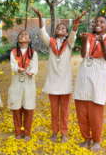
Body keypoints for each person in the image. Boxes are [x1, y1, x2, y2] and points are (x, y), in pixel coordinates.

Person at [33, 8, 83, 143]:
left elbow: (73, 34)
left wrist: (76, 22)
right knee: (54, 110)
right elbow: (43, 33)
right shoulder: (51, 43)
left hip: (65, 82)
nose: (60, 29)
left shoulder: (69, 43)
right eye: (58, 28)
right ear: (55, 32)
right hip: (53, 81)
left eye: (63, 28)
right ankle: (55, 132)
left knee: (65, 110)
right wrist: (40, 17)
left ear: (66, 33)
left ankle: (64, 133)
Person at [74, 16, 106, 152]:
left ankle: (96, 140)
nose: (98, 24)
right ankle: (86, 139)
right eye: (96, 22)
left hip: (99, 76)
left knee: (95, 110)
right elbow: (83, 55)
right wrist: (84, 40)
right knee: (82, 110)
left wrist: (101, 42)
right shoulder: (89, 36)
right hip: (84, 73)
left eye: (102, 22)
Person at [7, 30, 38, 141]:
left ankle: (27, 132)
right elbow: (13, 65)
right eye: (21, 34)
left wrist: (32, 72)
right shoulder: (13, 52)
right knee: (16, 108)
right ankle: (18, 132)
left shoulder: (33, 53)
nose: (23, 36)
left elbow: (35, 67)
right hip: (16, 82)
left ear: (29, 40)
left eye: (26, 34)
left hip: (29, 83)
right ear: (18, 39)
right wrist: (17, 69)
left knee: (28, 108)